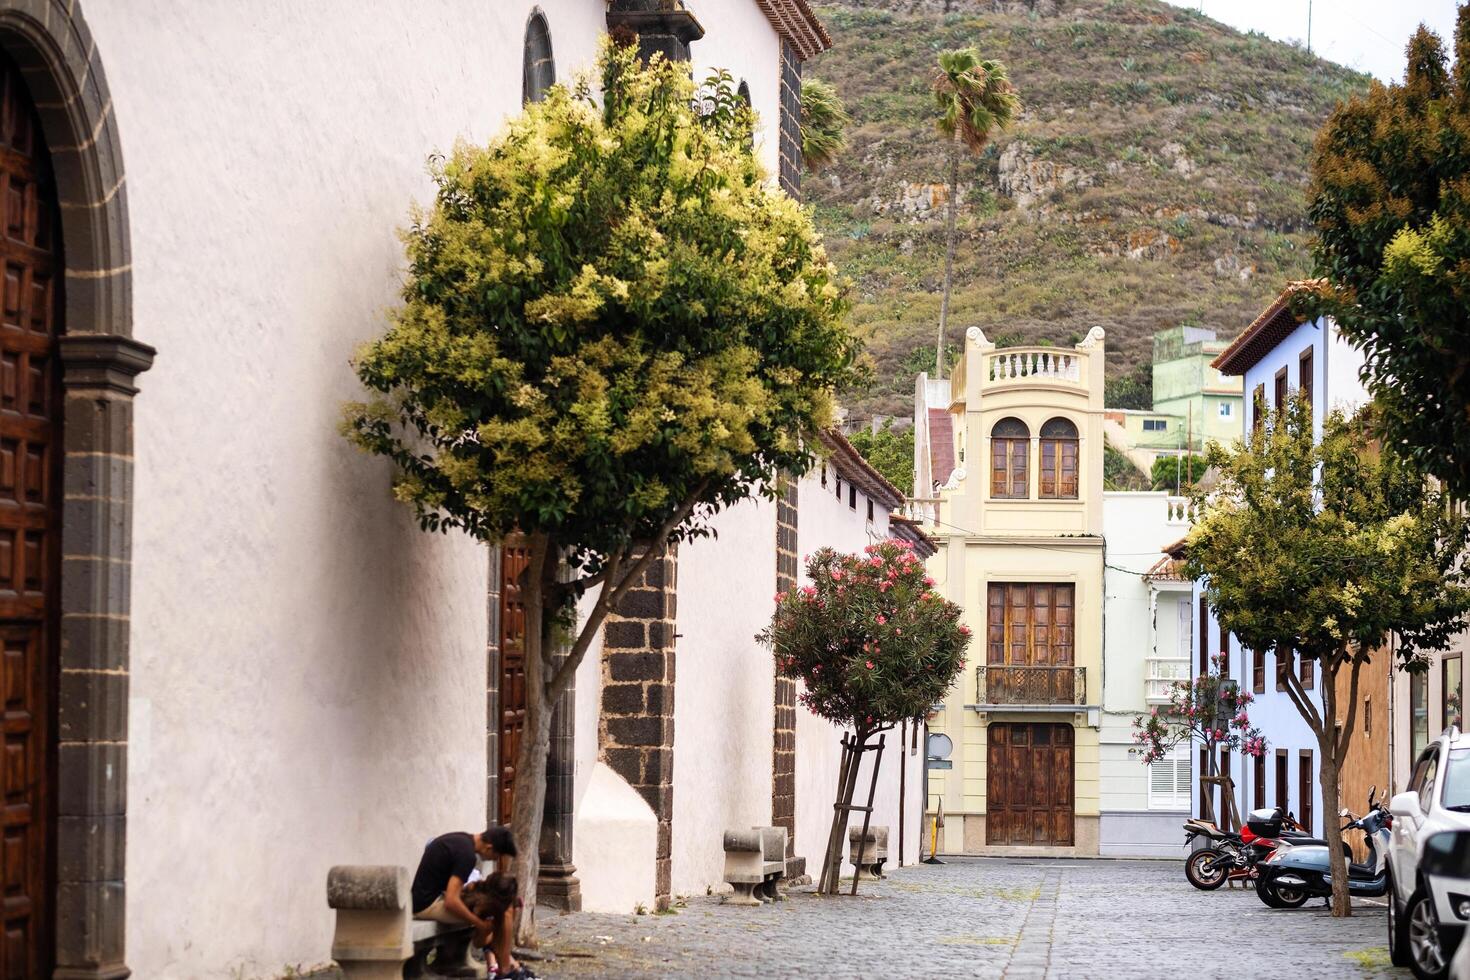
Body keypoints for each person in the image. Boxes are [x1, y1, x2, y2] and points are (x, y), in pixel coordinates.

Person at [410, 827, 516, 950]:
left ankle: (497, 957)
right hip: (426, 905)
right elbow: (451, 901)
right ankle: (502, 964)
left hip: (424, 898)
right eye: (497, 856)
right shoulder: (467, 856)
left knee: (491, 911)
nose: (495, 860)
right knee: (491, 913)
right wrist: (480, 924)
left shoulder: (462, 839)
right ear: (489, 848)